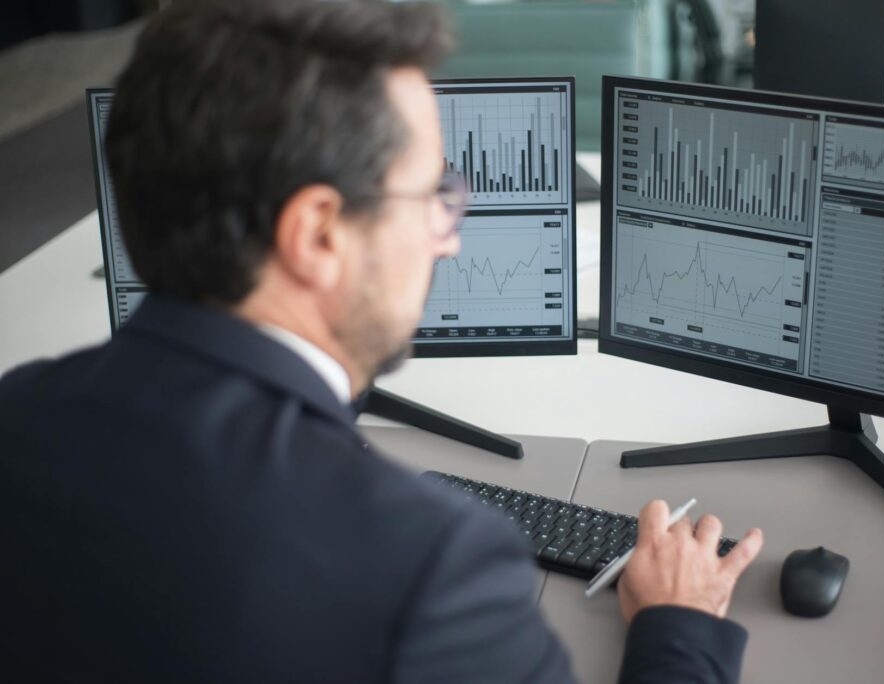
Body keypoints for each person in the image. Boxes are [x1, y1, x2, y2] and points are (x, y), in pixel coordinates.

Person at [0, 0, 763, 681]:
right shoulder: (429, 566)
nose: (449, 240)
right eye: (433, 194)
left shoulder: (18, 414)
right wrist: (680, 630)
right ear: (318, 233)